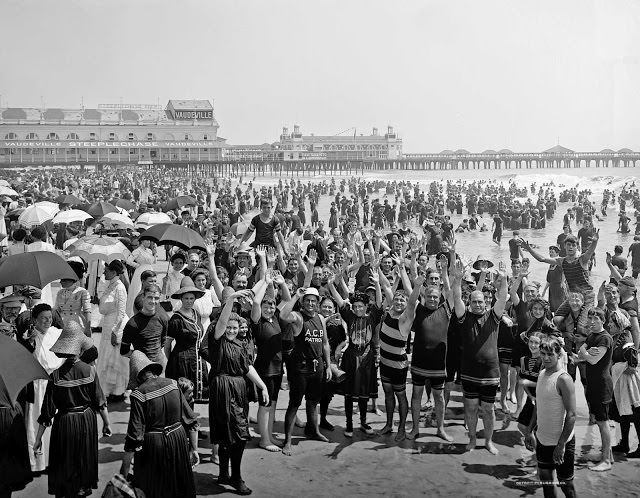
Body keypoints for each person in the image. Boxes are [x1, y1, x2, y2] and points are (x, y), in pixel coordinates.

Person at [200, 290, 269, 495]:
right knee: (235, 434)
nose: (230, 330)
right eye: (228, 327)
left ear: (240, 329)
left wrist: (262, 385)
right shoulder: (217, 340)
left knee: (230, 433)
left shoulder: (239, 345)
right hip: (223, 388)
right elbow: (221, 324)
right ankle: (235, 477)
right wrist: (230, 300)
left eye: (234, 327)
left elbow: (247, 368)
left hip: (238, 389)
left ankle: (224, 473)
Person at [33, 324, 111, 498]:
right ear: (80, 349)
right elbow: (100, 402)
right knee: (84, 458)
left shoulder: (55, 376)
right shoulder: (90, 371)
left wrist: (38, 439)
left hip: (65, 422)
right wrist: (106, 424)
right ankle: (81, 490)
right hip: (86, 419)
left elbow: (47, 412)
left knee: (65, 461)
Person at [120, 351, 198, 498]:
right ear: (153, 369)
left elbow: (135, 436)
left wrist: (123, 472)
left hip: (154, 446)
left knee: (155, 488)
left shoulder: (139, 394)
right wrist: (194, 449)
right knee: (179, 486)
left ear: (137, 375)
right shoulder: (174, 384)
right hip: (179, 439)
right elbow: (191, 421)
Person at [407, 255, 463, 442]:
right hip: (419, 362)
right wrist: (417, 285)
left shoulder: (445, 310)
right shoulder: (419, 310)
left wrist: (457, 278)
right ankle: (415, 428)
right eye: (429, 296)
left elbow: (454, 293)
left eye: (435, 297)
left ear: (439, 298)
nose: (432, 299)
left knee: (438, 397)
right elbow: (411, 300)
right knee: (416, 395)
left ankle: (440, 428)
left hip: (439, 364)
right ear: (425, 297)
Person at [455, 263, 508, 454]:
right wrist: (458, 278)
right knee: (470, 408)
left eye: (480, 302)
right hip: (469, 371)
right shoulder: (464, 317)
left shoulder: (494, 316)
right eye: (474, 301)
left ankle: (488, 441)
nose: (477, 304)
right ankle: (471, 439)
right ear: (469, 303)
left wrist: (503, 279)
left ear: (486, 303)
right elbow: (455, 297)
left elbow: (502, 297)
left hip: (490, 373)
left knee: (488, 409)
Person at [279, 287, 333, 455]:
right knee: (294, 404)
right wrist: (296, 295)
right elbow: (283, 315)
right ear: (302, 302)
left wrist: (329, 365)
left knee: (313, 401)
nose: (310, 303)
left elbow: (324, 343)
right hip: (300, 368)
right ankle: (287, 440)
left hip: (318, 367)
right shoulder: (298, 317)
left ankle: (314, 430)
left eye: (313, 301)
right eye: (307, 300)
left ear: (318, 303)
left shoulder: (321, 318)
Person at [524, 335, 577, 498]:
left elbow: (572, 415)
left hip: (562, 443)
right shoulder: (541, 374)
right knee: (546, 484)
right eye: (543, 354)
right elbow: (538, 405)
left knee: (566, 486)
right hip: (542, 440)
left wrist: (561, 445)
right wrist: (529, 430)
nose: (546, 358)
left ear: (559, 355)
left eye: (550, 355)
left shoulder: (563, 379)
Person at [378, 272, 424, 442]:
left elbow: (412, 302)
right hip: (384, 363)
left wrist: (417, 286)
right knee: (388, 394)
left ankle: (402, 427)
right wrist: (379, 275)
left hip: (398, 366)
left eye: (401, 301)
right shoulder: (390, 311)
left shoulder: (405, 319)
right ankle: (389, 424)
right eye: (396, 299)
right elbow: (386, 286)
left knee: (400, 396)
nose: (398, 302)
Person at [23, 303, 65, 473]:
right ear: (35, 320)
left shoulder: (57, 333)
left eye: (50, 318)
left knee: (55, 423)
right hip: (38, 385)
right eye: (43, 319)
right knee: (36, 422)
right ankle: (37, 461)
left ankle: (53, 460)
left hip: (56, 383)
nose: (48, 321)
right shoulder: (29, 336)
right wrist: (30, 341)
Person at [577, 306, 614, 471]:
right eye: (590, 318)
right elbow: (580, 351)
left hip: (602, 385)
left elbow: (593, 361)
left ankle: (605, 460)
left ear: (603, 320)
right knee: (599, 421)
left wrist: (585, 353)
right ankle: (608, 455)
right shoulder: (592, 335)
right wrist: (585, 351)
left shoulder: (605, 338)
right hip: (593, 384)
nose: (592, 322)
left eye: (596, 319)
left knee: (603, 422)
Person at [164, 279, 209, 404]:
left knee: (193, 396)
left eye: (191, 298)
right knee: (183, 394)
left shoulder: (196, 313)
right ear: (181, 299)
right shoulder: (176, 319)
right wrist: (173, 361)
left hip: (198, 360)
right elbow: (167, 344)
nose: (189, 301)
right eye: (186, 298)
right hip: (182, 361)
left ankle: (191, 421)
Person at [120, 284, 169, 389]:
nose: (153, 301)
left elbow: (163, 342)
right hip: (141, 370)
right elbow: (124, 351)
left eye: (156, 298)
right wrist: (139, 356)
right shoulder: (132, 324)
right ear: (143, 298)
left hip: (159, 367)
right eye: (149, 297)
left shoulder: (163, 318)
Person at [96, 260, 129, 401]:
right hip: (107, 324)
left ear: (114, 272)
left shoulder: (120, 287)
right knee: (106, 357)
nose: (104, 272)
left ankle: (117, 391)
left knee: (115, 359)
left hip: (117, 325)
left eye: (107, 271)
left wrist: (115, 332)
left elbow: (121, 312)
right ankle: (106, 390)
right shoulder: (110, 285)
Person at [54, 260, 92, 337]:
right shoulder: (60, 293)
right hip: (62, 325)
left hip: (77, 325)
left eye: (64, 280)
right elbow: (56, 311)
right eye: (61, 280)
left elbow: (87, 311)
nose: (61, 282)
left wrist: (88, 328)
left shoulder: (82, 292)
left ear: (73, 279)